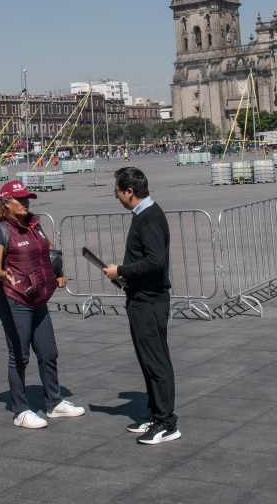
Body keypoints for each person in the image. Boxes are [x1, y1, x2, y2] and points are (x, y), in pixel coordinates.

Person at [0, 179, 85, 429]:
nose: (25, 203)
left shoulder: (35, 226)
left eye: (27, 199)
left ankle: (54, 403)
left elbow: (48, 253)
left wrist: (57, 274)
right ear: (6, 203)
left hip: (38, 297)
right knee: (19, 355)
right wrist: (2, 275)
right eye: (20, 199)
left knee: (48, 351)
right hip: (14, 299)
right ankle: (20, 410)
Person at [103, 166, 180, 445]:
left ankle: (166, 422)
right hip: (141, 297)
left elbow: (155, 261)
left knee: (156, 360)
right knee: (147, 359)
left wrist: (121, 270)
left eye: (117, 193)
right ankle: (155, 413)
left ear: (129, 192)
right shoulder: (145, 214)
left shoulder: (149, 218)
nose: (117, 197)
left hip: (150, 300)